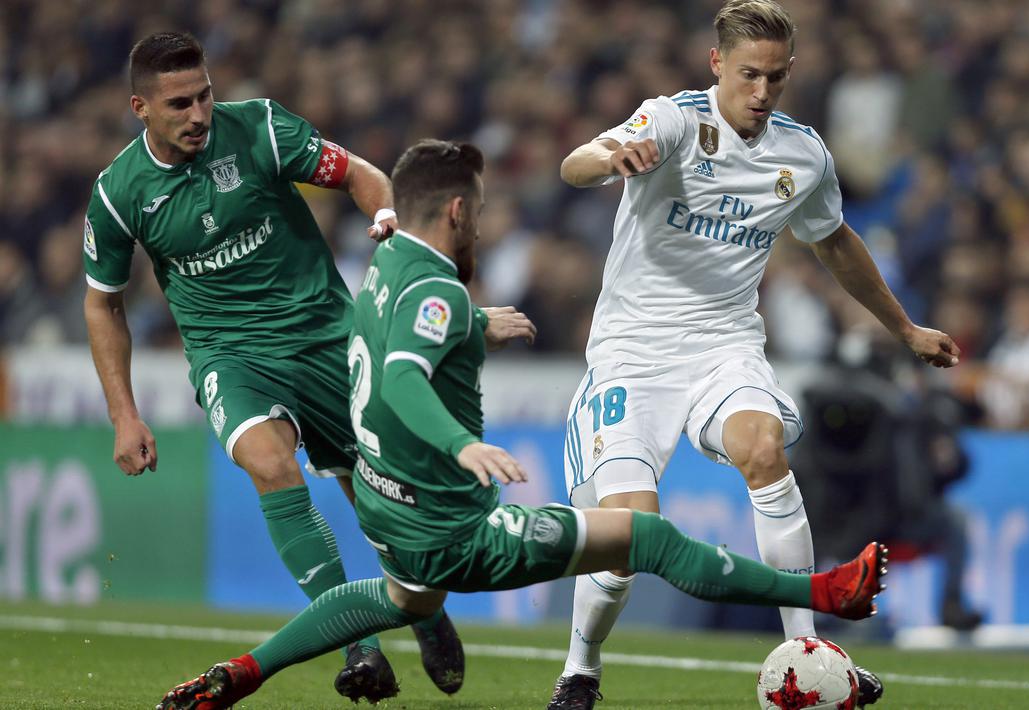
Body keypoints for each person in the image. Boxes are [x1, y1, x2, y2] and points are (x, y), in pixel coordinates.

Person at [155, 139, 890, 710]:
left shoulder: (382, 270)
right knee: (644, 537)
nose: (480, 222)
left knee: (396, 598)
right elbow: (407, 375)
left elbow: (397, 343)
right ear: (453, 213)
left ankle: (249, 670)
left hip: (387, 513)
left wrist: (476, 326)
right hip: (455, 533)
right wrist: (460, 442)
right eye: (475, 210)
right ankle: (824, 594)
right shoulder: (436, 287)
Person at [81, 32, 524, 703]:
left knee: (374, 499)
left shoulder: (257, 125)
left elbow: (359, 172)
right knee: (269, 462)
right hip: (231, 356)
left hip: (325, 336)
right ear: (140, 106)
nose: (199, 113)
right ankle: (359, 647)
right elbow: (102, 304)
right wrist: (123, 414)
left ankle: (425, 610)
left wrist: (383, 212)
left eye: (203, 95)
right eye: (179, 104)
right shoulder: (119, 193)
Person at [550, 1, 959, 706]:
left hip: (723, 347)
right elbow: (573, 164)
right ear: (717, 65)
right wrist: (610, 155)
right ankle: (580, 668)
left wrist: (904, 329)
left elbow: (833, 241)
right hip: (632, 355)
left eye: (775, 77)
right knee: (629, 535)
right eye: (748, 75)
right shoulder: (672, 120)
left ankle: (807, 651)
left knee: (764, 448)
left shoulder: (800, 154)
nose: (761, 92)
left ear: (789, 72)